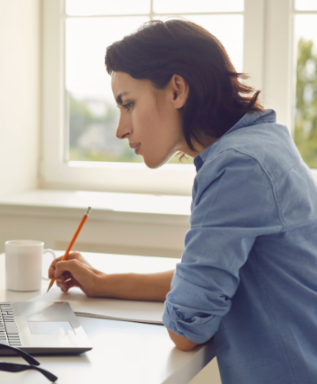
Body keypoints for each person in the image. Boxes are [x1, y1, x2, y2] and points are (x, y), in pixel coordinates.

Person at [48, 19, 317, 384]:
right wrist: (101, 281)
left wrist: (186, 298)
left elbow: (187, 331)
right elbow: (209, 280)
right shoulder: (263, 143)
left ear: (176, 90)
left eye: (128, 104)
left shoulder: (237, 168)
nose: (120, 129)